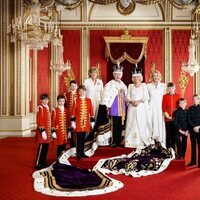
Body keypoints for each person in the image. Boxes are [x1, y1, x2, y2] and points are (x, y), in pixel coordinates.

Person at [101, 63, 127, 148]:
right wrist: (107, 107)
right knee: (114, 125)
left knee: (120, 125)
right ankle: (114, 141)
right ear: (113, 75)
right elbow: (106, 96)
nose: (117, 76)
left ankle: (119, 140)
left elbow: (126, 96)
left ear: (121, 75)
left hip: (122, 108)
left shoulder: (123, 85)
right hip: (114, 108)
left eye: (119, 74)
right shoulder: (109, 84)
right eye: (116, 74)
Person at [125, 68, 152, 148]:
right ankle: (129, 142)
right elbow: (127, 97)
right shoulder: (130, 86)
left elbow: (146, 97)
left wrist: (138, 102)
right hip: (132, 107)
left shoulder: (144, 85)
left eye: (138, 77)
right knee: (131, 122)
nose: (136, 79)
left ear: (141, 78)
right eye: (135, 77)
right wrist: (132, 101)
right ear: (133, 78)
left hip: (141, 107)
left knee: (140, 122)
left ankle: (141, 141)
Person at [71, 85, 95, 160]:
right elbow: (73, 112)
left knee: (83, 138)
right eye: (80, 91)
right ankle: (78, 154)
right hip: (78, 123)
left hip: (85, 123)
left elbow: (91, 111)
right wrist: (73, 122)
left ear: (85, 92)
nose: (81, 93)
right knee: (78, 138)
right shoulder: (76, 100)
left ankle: (82, 153)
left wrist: (92, 122)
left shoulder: (88, 100)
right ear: (78, 92)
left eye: (83, 91)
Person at [147, 70, 166, 146]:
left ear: (160, 77)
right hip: (150, 107)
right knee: (151, 122)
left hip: (160, 107)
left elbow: (165, 98)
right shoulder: (148, 86)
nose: (155, 77)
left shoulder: (163, 86)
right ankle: (151, 140)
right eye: (154, 76)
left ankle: (159, 140)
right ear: (152, 77)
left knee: (159, 122)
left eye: (157, 76)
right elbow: (146, 98)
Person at [35, 94, 51, 170]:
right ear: (41, 100)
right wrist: (42, 131)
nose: (45, 101)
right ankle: (38, 164)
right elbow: (39, 120)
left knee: (45, 148)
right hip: (42, 132)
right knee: (41, 148)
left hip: (47, 132)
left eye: (47, 99)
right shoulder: (40, 108)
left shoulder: (47, 108)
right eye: (44, 100)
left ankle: (43, 162)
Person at [162, 82, 180, 150]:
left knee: (174, 135)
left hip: (175, 119)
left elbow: (178, 107)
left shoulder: (178, 96)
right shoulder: (165, 96)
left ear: (174, 88)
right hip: (167, 118)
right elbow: (163, 107)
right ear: (168, 89)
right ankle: (168, 149)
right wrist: (167, 115)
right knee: (168, 135)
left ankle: (173, 150)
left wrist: (175, 116)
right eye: (169, 88)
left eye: (172, 88)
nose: (171, 89)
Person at [64, 80, 78, 148]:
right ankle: (71, 145)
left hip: (77, 115)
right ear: (70, 86)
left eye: (74, 86)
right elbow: (65, 106)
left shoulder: (79, 94)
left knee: (76, 130)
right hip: (69, 116)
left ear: (77, 86)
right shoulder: (66, 94)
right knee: (70, 131)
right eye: (72, 86)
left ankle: (76, 145)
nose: (73, 87)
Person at [187, 94, 200, 167]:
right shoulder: (190, 108)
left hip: (199, 130)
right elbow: (189, 119)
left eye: (196, 99)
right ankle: (193, 161)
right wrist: (194, 127)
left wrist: (198, 127)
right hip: (192, 130)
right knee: (193, 146)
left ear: (199, 100)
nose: (194, 100)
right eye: (193, 99)